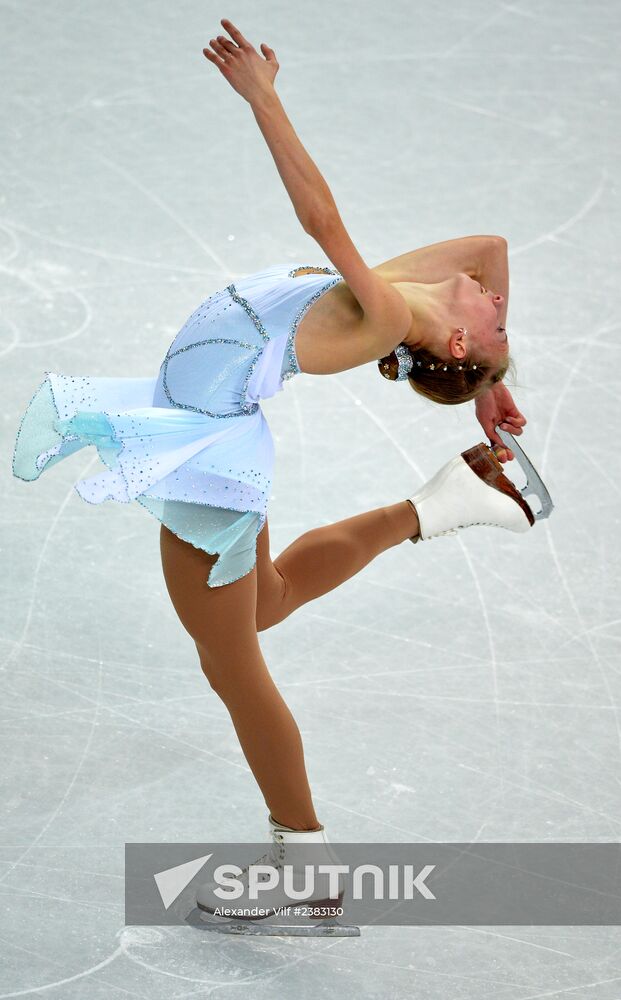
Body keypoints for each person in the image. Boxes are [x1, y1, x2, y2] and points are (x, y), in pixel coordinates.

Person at [12, 19, 545, 926]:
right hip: (209, 431)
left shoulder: (382, 313)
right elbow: (491, 248)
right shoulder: (423, 293)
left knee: (234, 663)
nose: (499, 304)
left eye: (493, 325)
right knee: (262, 603)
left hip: (207, 457)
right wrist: (492, 385)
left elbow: (321, 220)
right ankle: (440, 505)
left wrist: (264, 98)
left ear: (452, 340)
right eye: (499, 320)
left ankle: (305, 857)